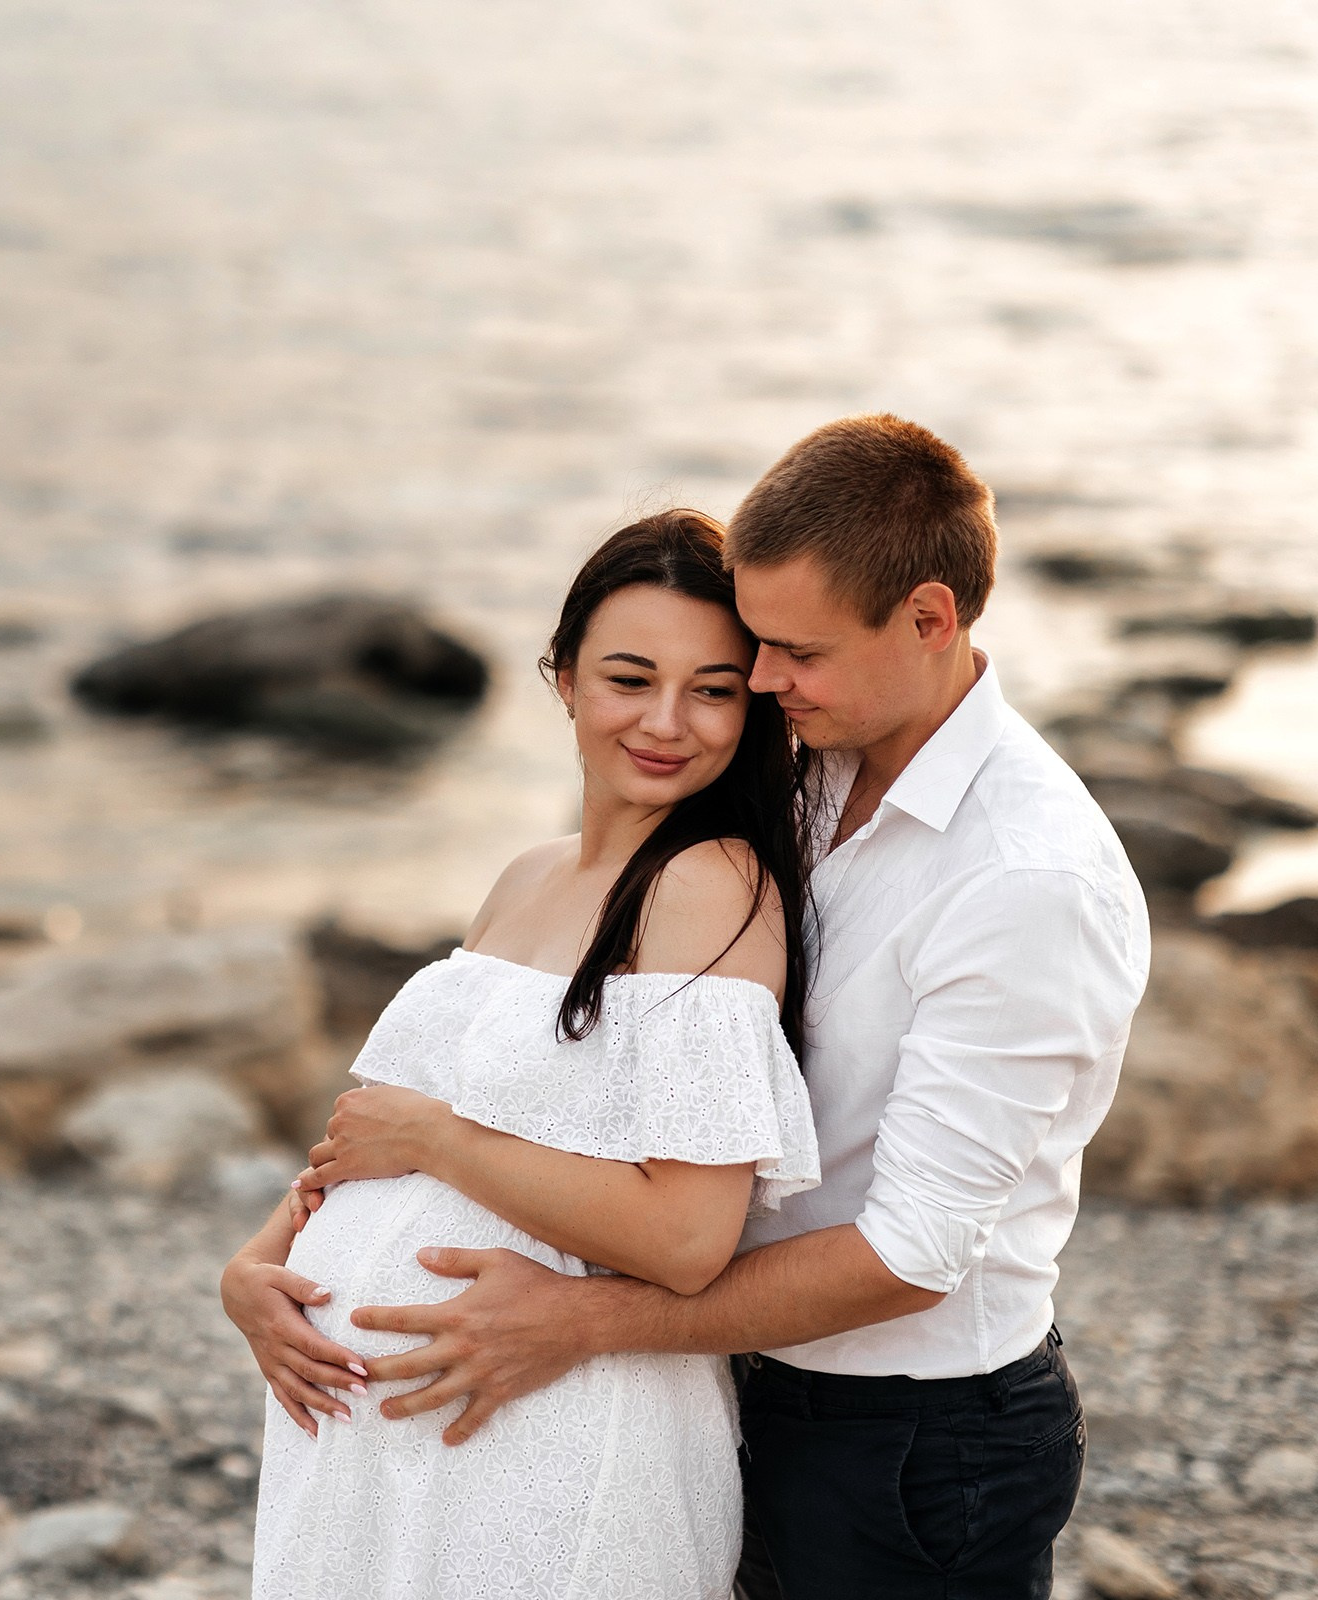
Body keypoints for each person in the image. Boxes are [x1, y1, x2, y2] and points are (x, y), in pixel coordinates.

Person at [323, 416, 1151, 1599]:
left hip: (910, 1439)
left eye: (794, 652)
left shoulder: (1026, 880)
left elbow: (909, 1254)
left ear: (930, 619)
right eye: (754, 646)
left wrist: (584, 1320)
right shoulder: (806, 769)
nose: (761, 683)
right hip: (734, 1380)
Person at [222, 508, 824, 1598]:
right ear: (563, 678)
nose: (667, 722)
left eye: (714, 689)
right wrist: (255, 1269)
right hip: (367, 1443)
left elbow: (689, 1236)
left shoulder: (711, 887)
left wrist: (444, 1143)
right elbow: (369, 1136)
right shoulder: (526, 875)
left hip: (551, 1444)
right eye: (629, 678)